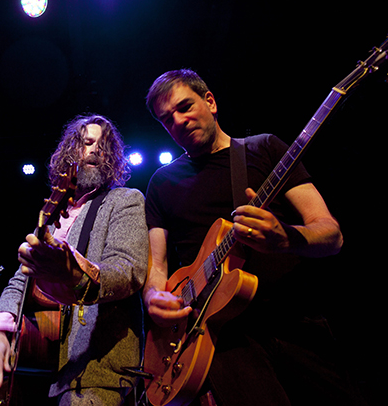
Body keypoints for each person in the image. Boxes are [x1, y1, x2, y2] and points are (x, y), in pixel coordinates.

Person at [142, 69, 362, 406]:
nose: (179, 121)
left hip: (294, 320)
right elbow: (157, 266)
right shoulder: (161, 182)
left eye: (185, 107)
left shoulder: (266, 148)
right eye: (166, 119)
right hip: (221, 338)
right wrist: (153, 297)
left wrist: (285, 238)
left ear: (210, 101)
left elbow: (331, 234)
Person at [0, 114, 149, 406]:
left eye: (104, 145)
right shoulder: (53, 213)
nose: (96, 149)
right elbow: (22, 277)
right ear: (71, 152)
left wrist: (76, 273)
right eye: (87, 142)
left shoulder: (125, 200)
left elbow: (127, 271)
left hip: (98, 370)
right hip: (46, 373)